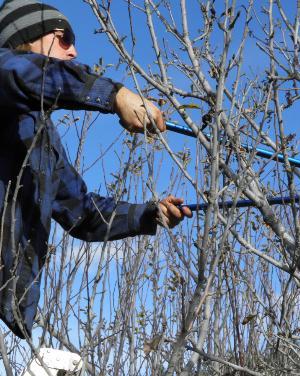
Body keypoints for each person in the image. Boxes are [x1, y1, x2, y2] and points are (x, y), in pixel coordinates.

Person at [0, 0, 192, 338]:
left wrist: (150, 214)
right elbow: (23, 74)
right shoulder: (5, 70)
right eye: (63, 38)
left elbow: (84, 214)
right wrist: (115, 95)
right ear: (25, 38)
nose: (73, 51)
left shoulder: (41, 140)